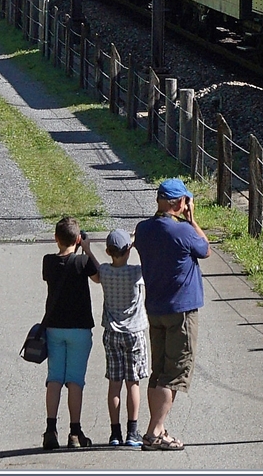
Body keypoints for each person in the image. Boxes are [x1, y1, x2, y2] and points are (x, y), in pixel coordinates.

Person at [133, 178, 210, 451]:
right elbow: (205, 248)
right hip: (181, 311)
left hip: (155, 309)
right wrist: (192, 220)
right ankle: (154, 432)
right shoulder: (183, 232)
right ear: (179, 203)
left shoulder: (142, 230)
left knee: (158, 372)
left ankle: (158, 427)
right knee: (174, 373)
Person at [41, 216, 99, 451]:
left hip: (54, 327)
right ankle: (75, 432)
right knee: (75, 381)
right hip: (79, 328)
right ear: (77, 238)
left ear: (56, 239)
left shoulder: (47, 262)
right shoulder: (83, 262)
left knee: (54, 379)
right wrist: (86, 249)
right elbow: (98, 277)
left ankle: (50, 429)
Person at [91, 227, 150, 448]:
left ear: (107, 251)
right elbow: (149, 265)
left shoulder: (105, 272)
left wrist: (87, 248)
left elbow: (95, 271)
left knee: (114, 384)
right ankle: (132, 432)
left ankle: (114, 433)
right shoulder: (136, 273)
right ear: (129, 250)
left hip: (112, 334)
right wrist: (137, 242)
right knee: (132, 383)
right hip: (134, 333)